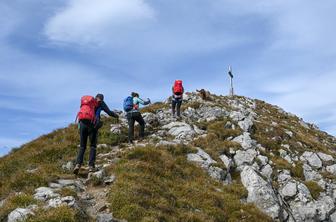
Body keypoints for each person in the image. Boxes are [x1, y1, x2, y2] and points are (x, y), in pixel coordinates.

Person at [74, 94, 119, 174]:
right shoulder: (101, 103)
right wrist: (116, 116)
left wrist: (79, 127)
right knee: (93, 146)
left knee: (82, 146)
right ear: (102, 99)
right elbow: (109, 112)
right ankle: (91, 166)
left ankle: (78, 165)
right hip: (93, 124)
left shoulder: (88, 103)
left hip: (82, 124)